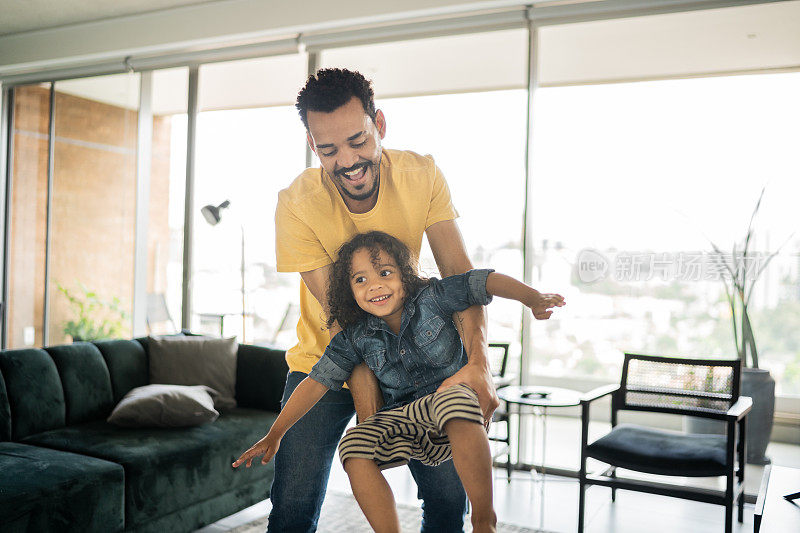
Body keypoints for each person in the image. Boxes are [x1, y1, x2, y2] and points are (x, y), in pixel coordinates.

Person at [267, 67, 499, 532]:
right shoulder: (296, 203)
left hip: (420, 360)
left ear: (380, 125)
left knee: (448, 497)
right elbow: (344, 325)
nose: (348, 160)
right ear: (314, 147)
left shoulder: (421, 174)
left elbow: (460, 278)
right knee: (293, 499)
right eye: (329, 149)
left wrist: (478, 365)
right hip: (328, 358)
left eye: (358, 140)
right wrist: (375, 422)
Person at [234, 231, 565, 533]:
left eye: (385, 273)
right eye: (360, 279)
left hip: (451, 410)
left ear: (405, 273)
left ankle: (483, 520)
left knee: (455, 397)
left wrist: (532, 298)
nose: (374, 285)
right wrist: (275, 434)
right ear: (348, 290)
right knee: (352, 445)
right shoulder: (356, 335)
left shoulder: (434, 296)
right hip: (405, 422)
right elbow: (315, 382)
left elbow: (484, 282)